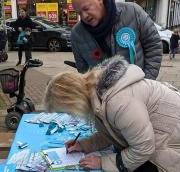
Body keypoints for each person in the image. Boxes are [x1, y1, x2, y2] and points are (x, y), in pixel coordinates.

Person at [44, 55, 180, 172]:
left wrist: (103, 162)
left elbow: (143, 149)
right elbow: (113, 131)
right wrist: (83, 145)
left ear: (74, 102)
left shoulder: (118, 101)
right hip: (155, 140)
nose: (71, 115)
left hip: (170, 147)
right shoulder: (96, 93)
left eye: (68, 111)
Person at [71, 0, 162, 80]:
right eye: (79, 13)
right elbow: (83, 71)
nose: (84, 16)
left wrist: (146, 81)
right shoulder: (77, 34)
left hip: (139, 88)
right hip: (103, 94)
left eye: (86, 9)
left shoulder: (132, 11)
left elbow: (153, 46)